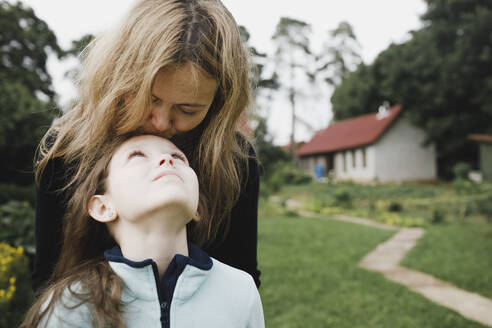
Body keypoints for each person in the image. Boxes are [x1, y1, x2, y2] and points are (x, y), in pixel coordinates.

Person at [33, 0, 261, 293]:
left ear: (218, 105)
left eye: (187, 110)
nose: (161, 122)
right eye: (148, 99)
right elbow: (49, 281)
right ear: (117, 78)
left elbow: (242, 280)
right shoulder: (65, 151)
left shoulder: (235, 162)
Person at [22, 134, 265, 327]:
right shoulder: (71, 303)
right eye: (137, 155)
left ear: (197, 208)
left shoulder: (242, 290)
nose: (166, 160)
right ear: (103, 206)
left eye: (178, 158)